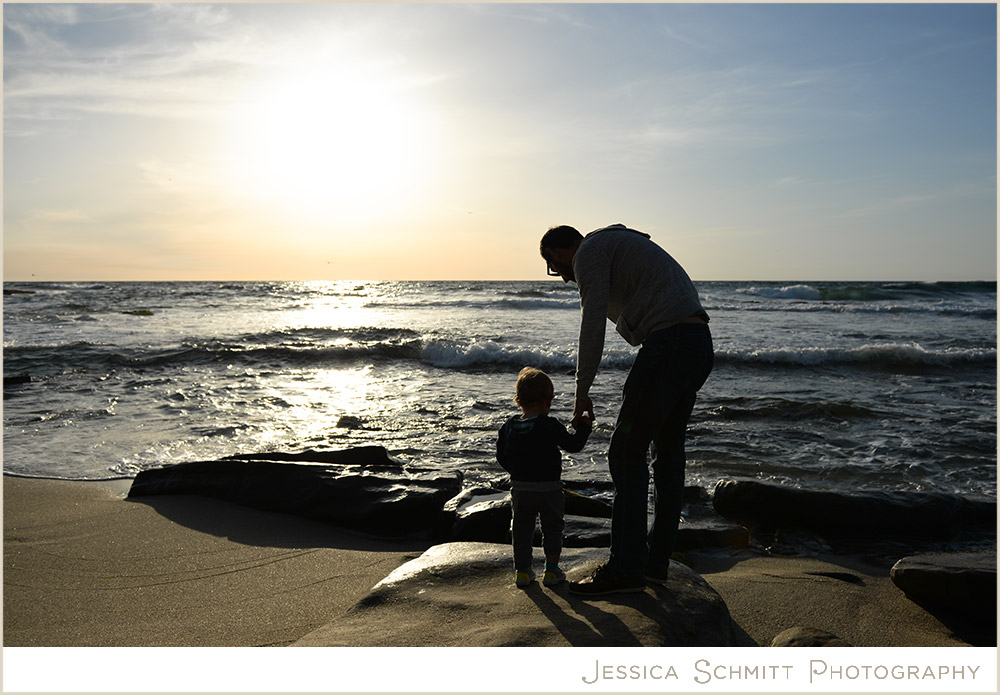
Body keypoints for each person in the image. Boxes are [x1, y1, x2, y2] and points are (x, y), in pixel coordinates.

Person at [539, 223, 713, 596]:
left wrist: (581, 391)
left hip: (670, 343)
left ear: (564, 248)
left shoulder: (589, 252)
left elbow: (592, 318)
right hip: (697, 342)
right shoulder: (619, 244)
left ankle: (626, 568)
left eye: (556, 265)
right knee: (667, 458)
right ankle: (655, 565)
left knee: (624, 454)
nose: (564, 278)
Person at [496, 367, 592, 588]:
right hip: (549, 490)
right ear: (549, 400)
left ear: (518, 401)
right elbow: (574, 445)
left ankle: (522, 571)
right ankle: (551, 571)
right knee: (552, 530)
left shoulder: (509, 426)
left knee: (521, 530)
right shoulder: (549, 425)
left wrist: (516, 472)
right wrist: (585, 427)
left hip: (521, 489)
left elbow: (502, 455)